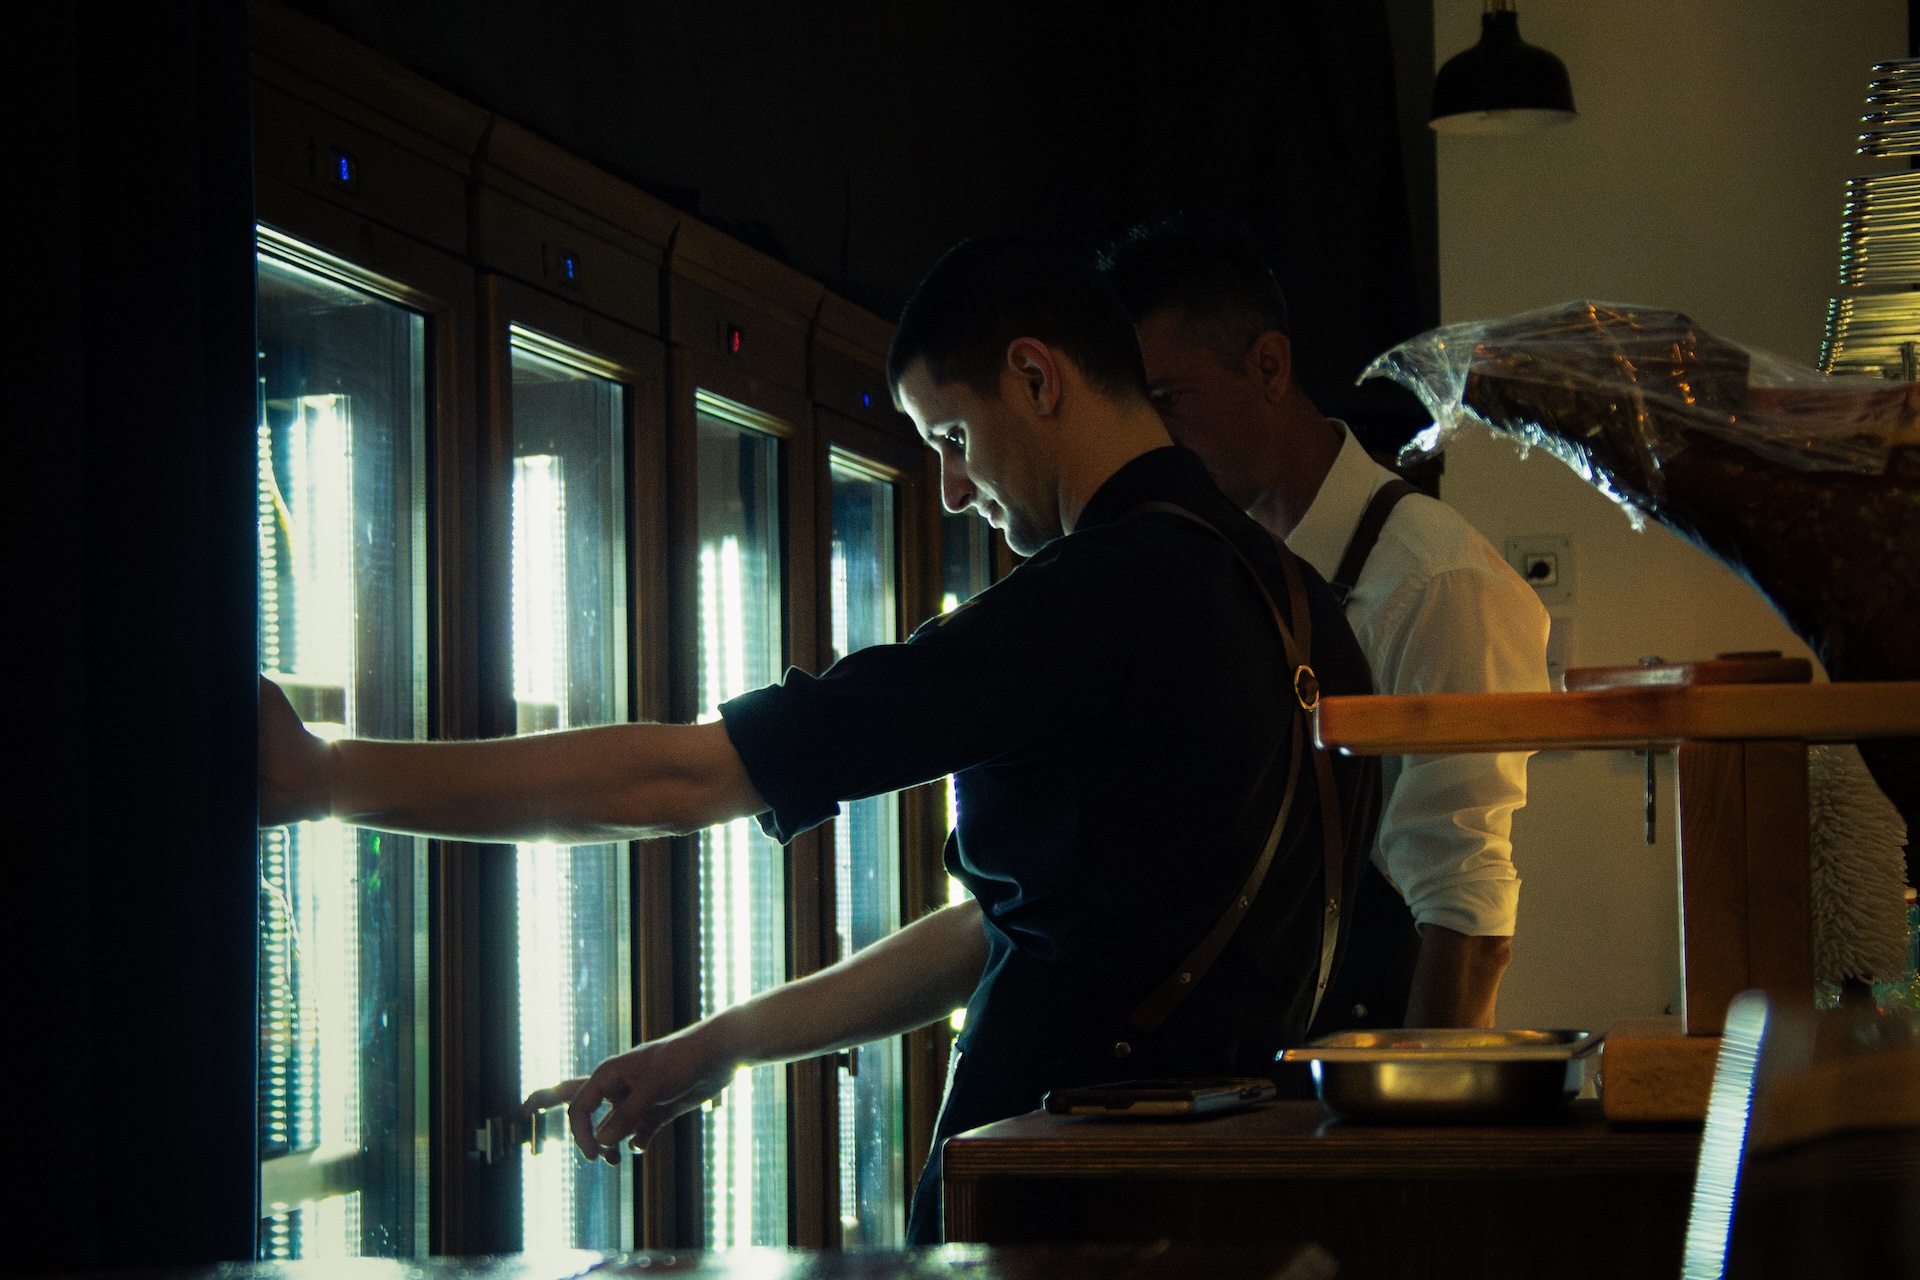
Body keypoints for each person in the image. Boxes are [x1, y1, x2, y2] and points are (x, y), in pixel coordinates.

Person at [258, 234, 1379, 1243]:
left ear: (1037, 377)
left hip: (1064, 1216)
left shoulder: (1088, 602)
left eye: (952, 435)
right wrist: (722, 1042)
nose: (952, 490)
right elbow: (1017, 930)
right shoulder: (1306, 608)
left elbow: (681, 776)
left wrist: (327, 774)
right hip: (1240, 1210)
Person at [1102, 216, 1551, 1030]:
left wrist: (1418, 1106)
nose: (1154, 442)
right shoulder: (1202, 570)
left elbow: (1467, 920)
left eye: (1171, 400)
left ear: (1269, 366)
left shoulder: (1437, 581)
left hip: (1360, 1064)